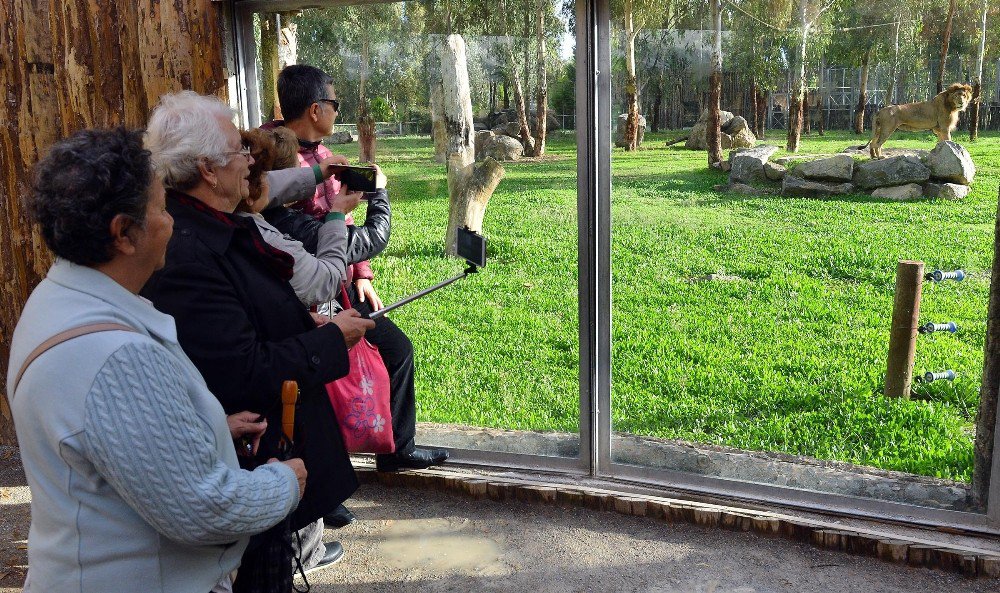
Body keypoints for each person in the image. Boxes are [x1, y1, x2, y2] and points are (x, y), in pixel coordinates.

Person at [6, 127, 306, 593]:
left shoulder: (56, 299)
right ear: (124, 234)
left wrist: (205, 430)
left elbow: (99, 438)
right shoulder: (116, 358)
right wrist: (282, 482)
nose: (171, 222)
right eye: (161, 208)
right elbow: (203, 510)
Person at [140, 91, 374, 592]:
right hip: (252, 454)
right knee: (263, 577)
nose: (250, 158)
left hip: (259, 445)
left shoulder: (218, 222)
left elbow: (246, 314)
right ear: (207, 168)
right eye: (238, 150)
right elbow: (241, 368)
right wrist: (331, 337)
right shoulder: (194, 250)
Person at [272, 64, 449, 478]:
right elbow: (351, 233)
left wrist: (362, 273)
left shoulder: (321, 155)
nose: (338, 111)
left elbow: (343, 226)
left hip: (340, 282)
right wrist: (380, 192)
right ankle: (317, 478)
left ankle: (396, 449)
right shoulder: (278, 156)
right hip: (301, 292)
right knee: (316, 382)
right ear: (316, 109)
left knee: (396, 350)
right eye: (335, 103)